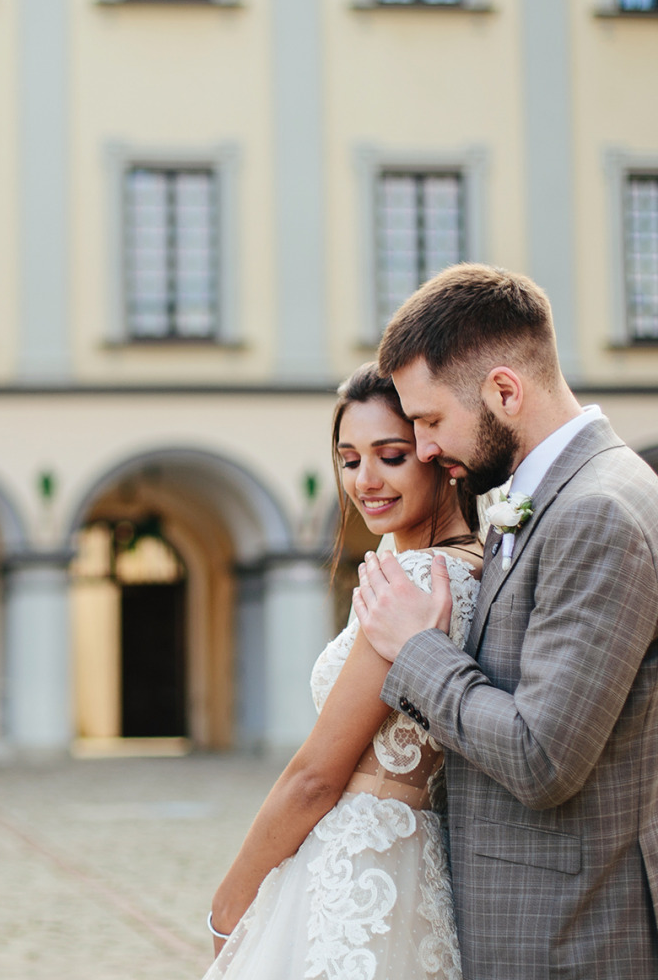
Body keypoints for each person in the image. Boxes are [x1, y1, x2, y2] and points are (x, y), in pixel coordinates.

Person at [353, 264, 658, 979]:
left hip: (582, 936)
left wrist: (418, 651)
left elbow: (541, 757)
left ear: (504, 391)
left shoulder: (599, 514)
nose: (424, 448)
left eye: (430, 421)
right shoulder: (552, 495)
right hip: (553, 923)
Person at [204, 362, 481, 980]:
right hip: (406, 864)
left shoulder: (416, 579)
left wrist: (229, 907)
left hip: (358, 873)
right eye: (350, 459)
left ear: (437, 455)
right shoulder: (461, 565)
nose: (367, 481)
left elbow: (315, 778)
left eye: (391, 455)